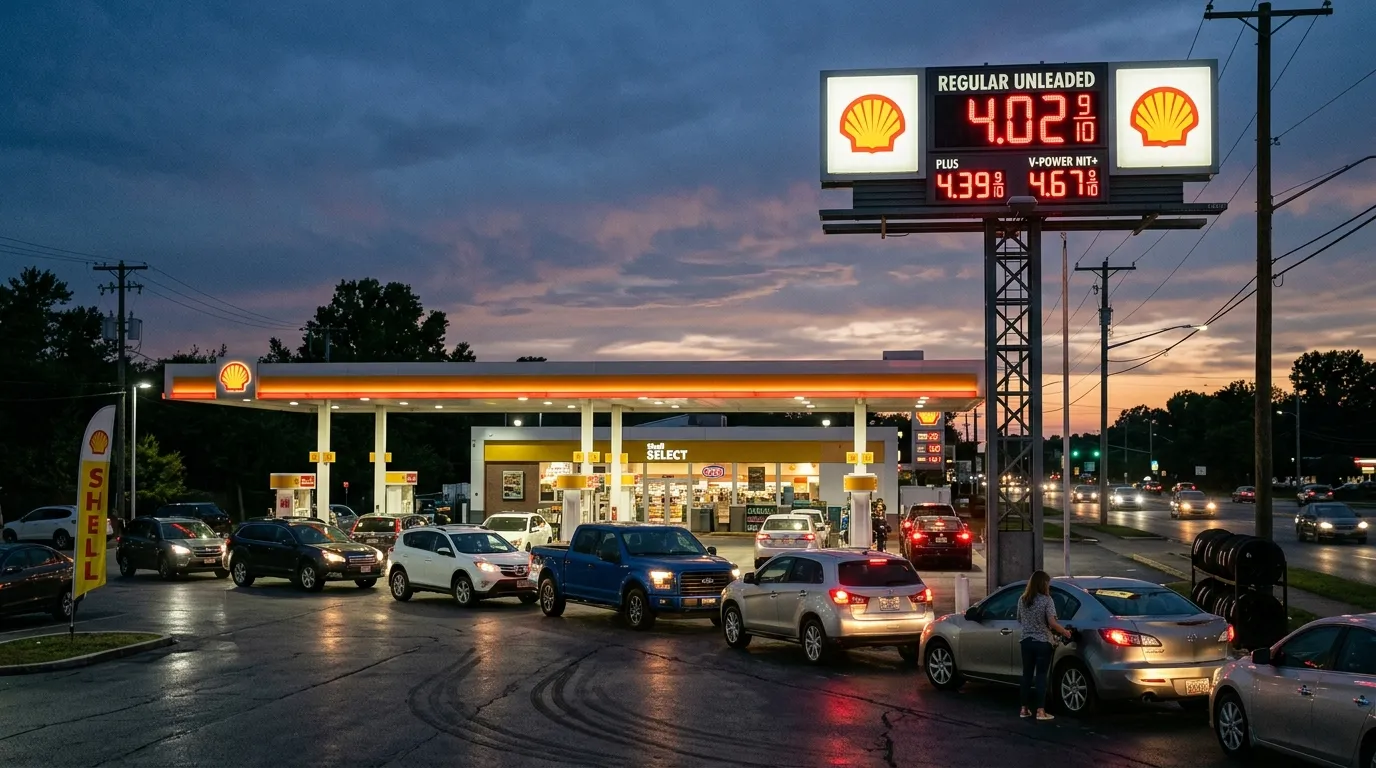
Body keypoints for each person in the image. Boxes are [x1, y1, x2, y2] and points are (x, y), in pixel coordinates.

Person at [1016, 570, 1073, 721]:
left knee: (1026, 675)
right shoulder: (1047, 600)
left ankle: (1024, 709)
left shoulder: (1022, 599)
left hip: (1026, 641)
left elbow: (1019, 619)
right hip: (1042, 642)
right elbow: (1052, 623)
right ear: (1044, 583)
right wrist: (1066, 632)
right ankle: (1041, 711)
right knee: (1041, 676)